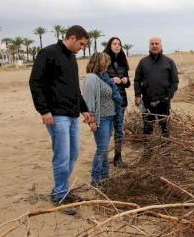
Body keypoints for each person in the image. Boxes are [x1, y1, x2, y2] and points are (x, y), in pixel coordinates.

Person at [29, 25, 90, 215]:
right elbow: (35, 82)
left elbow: (74, 88)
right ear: (72, 38)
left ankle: (60, 189)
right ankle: (60, 195)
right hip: (56, 115)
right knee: (62, 157)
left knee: (72, 155)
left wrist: (84, 109)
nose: (82, 48)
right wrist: (43, 110)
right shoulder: (48, 53)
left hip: (72, 114)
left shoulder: (72, 58)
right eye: (81, 44)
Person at [82, 53, 123, 185]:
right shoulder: (91, 78)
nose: (108, 64)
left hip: (110, 117)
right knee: (102, 148)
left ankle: (105, 176)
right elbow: (88, 101)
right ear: (100, 62)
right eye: (106, 62)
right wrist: (92, 120)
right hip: (102, 119)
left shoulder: (104, 77)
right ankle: (96, 179)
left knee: (104, 148)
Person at [134, 36, 179, 137]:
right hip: (147, 102)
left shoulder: (169, 62)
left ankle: (165, 152)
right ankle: (147, 152)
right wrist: (137, 95)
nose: (154, 46)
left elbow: (175, 82)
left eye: (156, 44)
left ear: (161, 45)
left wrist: (168, 97)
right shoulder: (143, 62)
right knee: (147, 130)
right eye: (152, 44)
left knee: (165, 129)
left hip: (164, 102)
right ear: (149, 46)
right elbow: (137, 80)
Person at [103, 37, 130, 166]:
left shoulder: (123, 63)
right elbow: (99, 80)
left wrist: (125, 81)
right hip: (108, 102)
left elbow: (128, 83)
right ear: (109, 46)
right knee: (107, 131)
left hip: (121, 101)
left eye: (119, 44)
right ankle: (103, 157)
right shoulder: (104, 62)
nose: (117, 46)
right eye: (114, 44)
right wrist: (111, 80)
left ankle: (118, 158)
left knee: (119, 130)